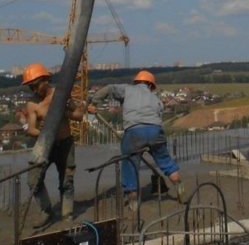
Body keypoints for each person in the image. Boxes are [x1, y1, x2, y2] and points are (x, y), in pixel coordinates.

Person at [89, 70, 183, 206]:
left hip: (134, 132)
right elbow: (158, 116)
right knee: (165, 160)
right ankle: (179, 184)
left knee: (130, 163)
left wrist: (94, 102)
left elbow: (109, 89)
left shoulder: (128, 89)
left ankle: (133, 199)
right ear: (151, 85)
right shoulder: (156, 99)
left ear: (136, 82)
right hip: (156, 131)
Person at [22, 62, 83, 229]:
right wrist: (41, 132)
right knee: (33, 179)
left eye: (35, 86)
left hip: (64, 144)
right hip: (44, 144)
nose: (34, 90)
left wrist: (64, 111)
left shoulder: (61, 95)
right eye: (31, 88)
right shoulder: (33, 104)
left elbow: (79, 115)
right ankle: (46, 211)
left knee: (66, 181)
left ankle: (67, 215)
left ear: (45, 80)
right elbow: (31, 129)